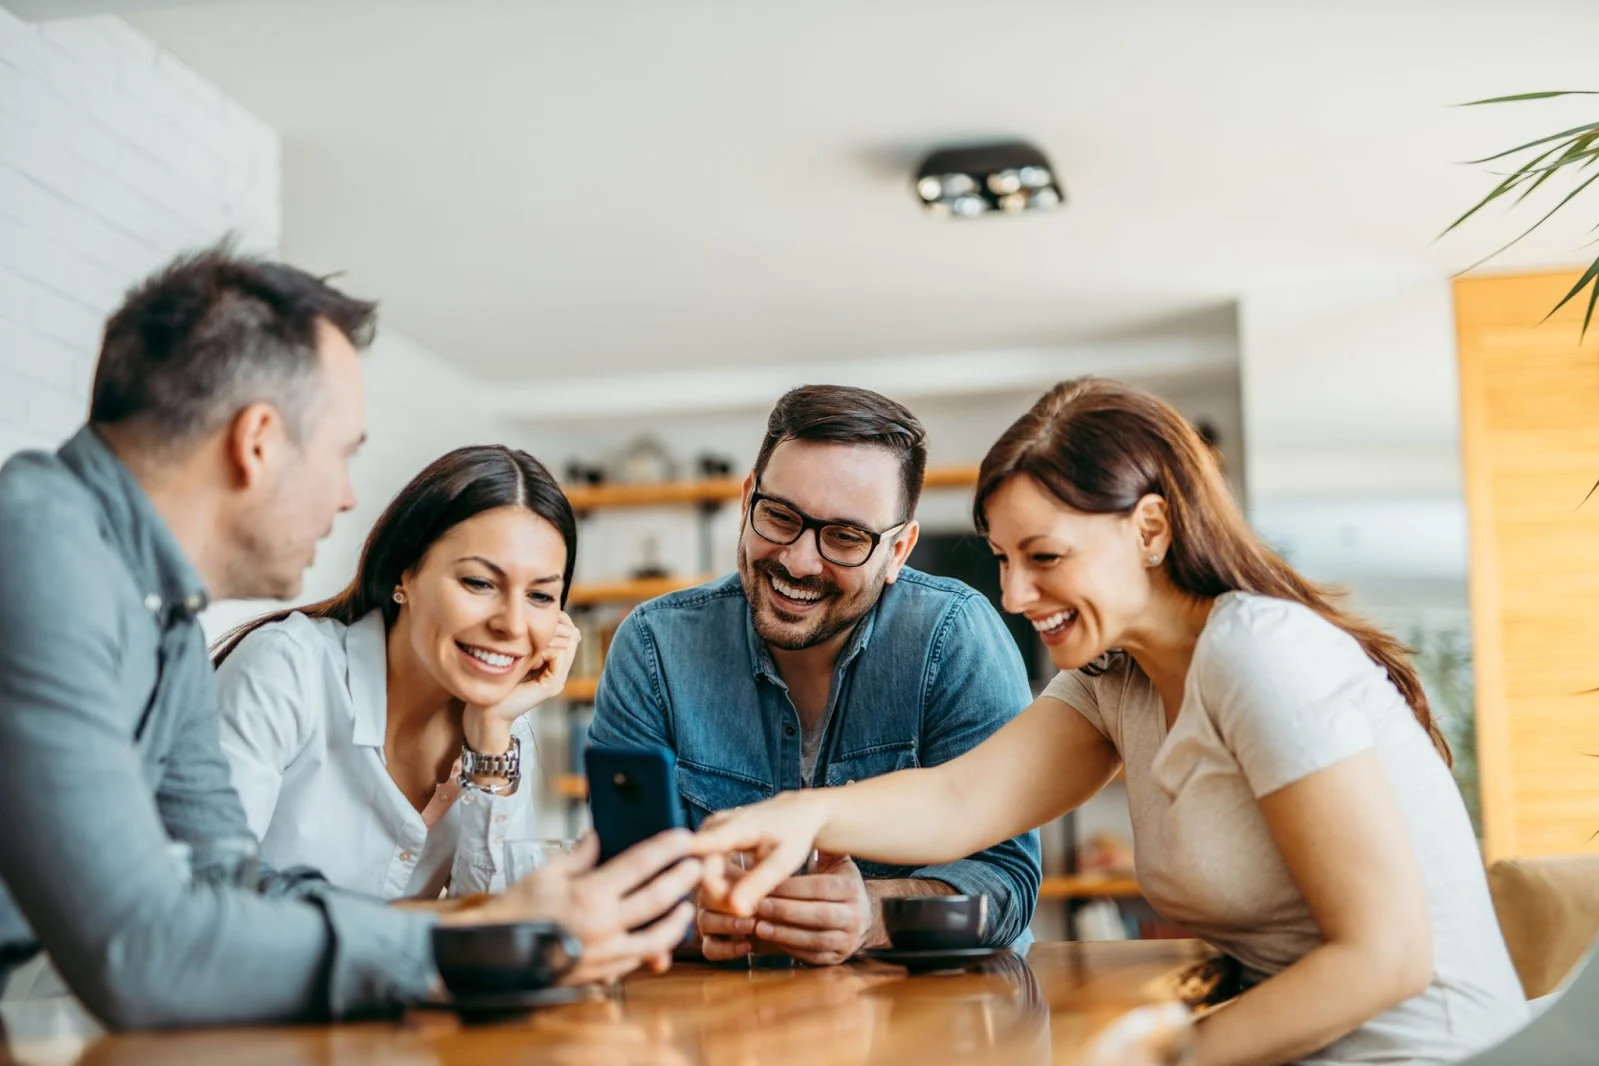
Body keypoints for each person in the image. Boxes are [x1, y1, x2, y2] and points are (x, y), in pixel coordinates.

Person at [692, 377, 1528, 1064]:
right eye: (1004, 561)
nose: (1015, 598)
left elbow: (1388, 957)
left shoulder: (1260, 653)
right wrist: (800, 812)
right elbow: (957, 801)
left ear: (1152, 529)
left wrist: (1165, 1055)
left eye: (1045, 558)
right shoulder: (1113, 677)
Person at [0, 247, 698, 1028]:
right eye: (341, 456)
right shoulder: (37, 556)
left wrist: (486, 930)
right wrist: (462, 950)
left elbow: (229, 887)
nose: (346, 497)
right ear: (258, 441)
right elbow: (142, 947)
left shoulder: (156, 610)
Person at [589, 385, 1041, 965]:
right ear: (749, 496)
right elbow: (619, 876)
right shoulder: (654, 645)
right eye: (779, 516)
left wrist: (873, 915)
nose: (798, 561)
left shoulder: (956, 637)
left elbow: (1007, 879)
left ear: (898, 551)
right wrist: (688, 910)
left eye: (846, 536)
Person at [211, 445, 580, 900]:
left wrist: (490, 740)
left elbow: (494, 932)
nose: (513, 624)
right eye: (479, 583)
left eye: (541, 597)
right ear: (404, 573)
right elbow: (204, 898)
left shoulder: (501, 729)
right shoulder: (287, 669)